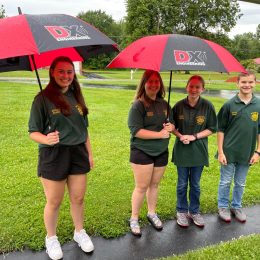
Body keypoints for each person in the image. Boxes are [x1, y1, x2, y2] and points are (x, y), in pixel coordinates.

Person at [28, 56, 94, 260]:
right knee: (54, 201)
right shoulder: (42, 99)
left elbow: (84, 130)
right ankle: (51, 238)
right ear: (52, 72)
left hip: (78, 153)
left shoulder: (77, 96)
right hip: (54, 154)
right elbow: (33, 131)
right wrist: (46, 139)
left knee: (78, 198)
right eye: (61, 71)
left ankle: (79, 232)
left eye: (69, 71)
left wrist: (90, 153)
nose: (66, 76)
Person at [127, 70, 174, 236]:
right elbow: (136, 131)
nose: (154, 85)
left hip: (161, 151)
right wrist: (159, 134)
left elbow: (171, 126)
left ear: (160, 84)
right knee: (141, 186)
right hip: (142, 151)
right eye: (150, 81)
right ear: (144, 83)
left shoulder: (164, 104)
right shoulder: (138, 105)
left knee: (154, 185)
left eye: (157, 81)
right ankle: (133, 218)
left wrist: (171, 127)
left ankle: (152, 213)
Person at [171, 75, 217, 228]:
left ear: (202, 89)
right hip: (182, 151)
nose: (194, 89)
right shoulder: (178, 106)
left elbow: (212, 128)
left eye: (197, 87)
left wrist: (194, 136)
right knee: (182, 183)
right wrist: (180, 135)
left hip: (199, 151)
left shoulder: (208, 106)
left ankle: (194, 211)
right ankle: (181, 211)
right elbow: (172, 128)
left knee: (195, 184)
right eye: (191, 86)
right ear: (186, 87)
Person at [217, 71, 260, 223]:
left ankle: (236, 206)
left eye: (250, 82)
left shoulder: (258, 104)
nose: (247, 85)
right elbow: (220, 129)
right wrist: (221, 152)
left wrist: (258, 152)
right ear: (237, 84)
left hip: (247, 153)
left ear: (255, 83)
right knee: (225, 181)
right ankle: (222, 207)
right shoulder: (229, 105)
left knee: (240, 182)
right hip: (228, 152)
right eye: (243, 82)